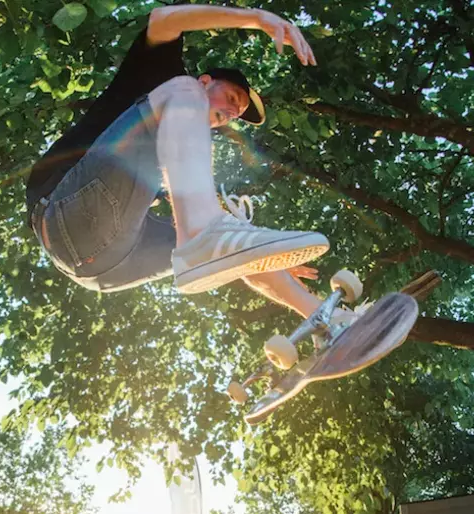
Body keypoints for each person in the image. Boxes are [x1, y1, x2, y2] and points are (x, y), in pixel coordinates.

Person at [26, 3, 334, 318]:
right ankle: (205, 233)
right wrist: (258, 18)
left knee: (234, 245)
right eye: (230, 99)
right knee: (182, 94)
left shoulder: (184, 153)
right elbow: (163, 19)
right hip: (63, 213)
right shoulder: (163, 76)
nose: (229, 114)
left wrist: (271, 260)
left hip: (108, 268)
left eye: (235, 115)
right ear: (205, 81)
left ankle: (325, 319)